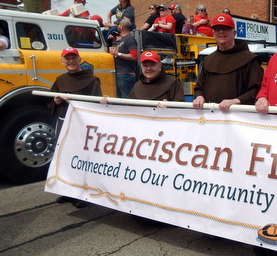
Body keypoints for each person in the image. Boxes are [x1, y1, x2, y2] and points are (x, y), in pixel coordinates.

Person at [48, 47, 102, 209]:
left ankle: (83, 194)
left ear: (79, 60)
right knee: (64, 157)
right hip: (63, 121)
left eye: (73, 58)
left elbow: (94, 104)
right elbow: (50, 101)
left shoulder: (92, 80)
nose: (70, 62)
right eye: (67, 59)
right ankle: (67, 190)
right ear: (63, 62)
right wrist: (56, 102)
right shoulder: (60, 79)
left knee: (81, 158)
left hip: (81, 125)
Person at [193, 13, 263, 112]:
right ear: (213, 33)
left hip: (238, 117)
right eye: (218, 29)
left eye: (225, 28)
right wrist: (199, 97)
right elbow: (199, 87)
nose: (221, 32)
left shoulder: (250, 60)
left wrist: (236, 101)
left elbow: (257, 89)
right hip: (210, 116)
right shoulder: (208, 60)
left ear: (234, 33)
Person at [102, 50, 184, 104]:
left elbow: (182, 110)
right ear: (141, 68)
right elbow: (127, 107)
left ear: (160, 67)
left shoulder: (173, 83)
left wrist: (169, 111)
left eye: (152, 65)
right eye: (145, 65)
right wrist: (111, 102)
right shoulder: (137, 86)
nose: (148, 68)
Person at [108, 18, 138, 98]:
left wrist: (118, 53)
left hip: (126, 74)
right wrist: (114, 42)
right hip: (121, 74)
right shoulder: (122, 39)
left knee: (127, 98)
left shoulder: (130, 39)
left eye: (118, 25)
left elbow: (134, 56)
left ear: (121, 27)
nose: (117, 26)